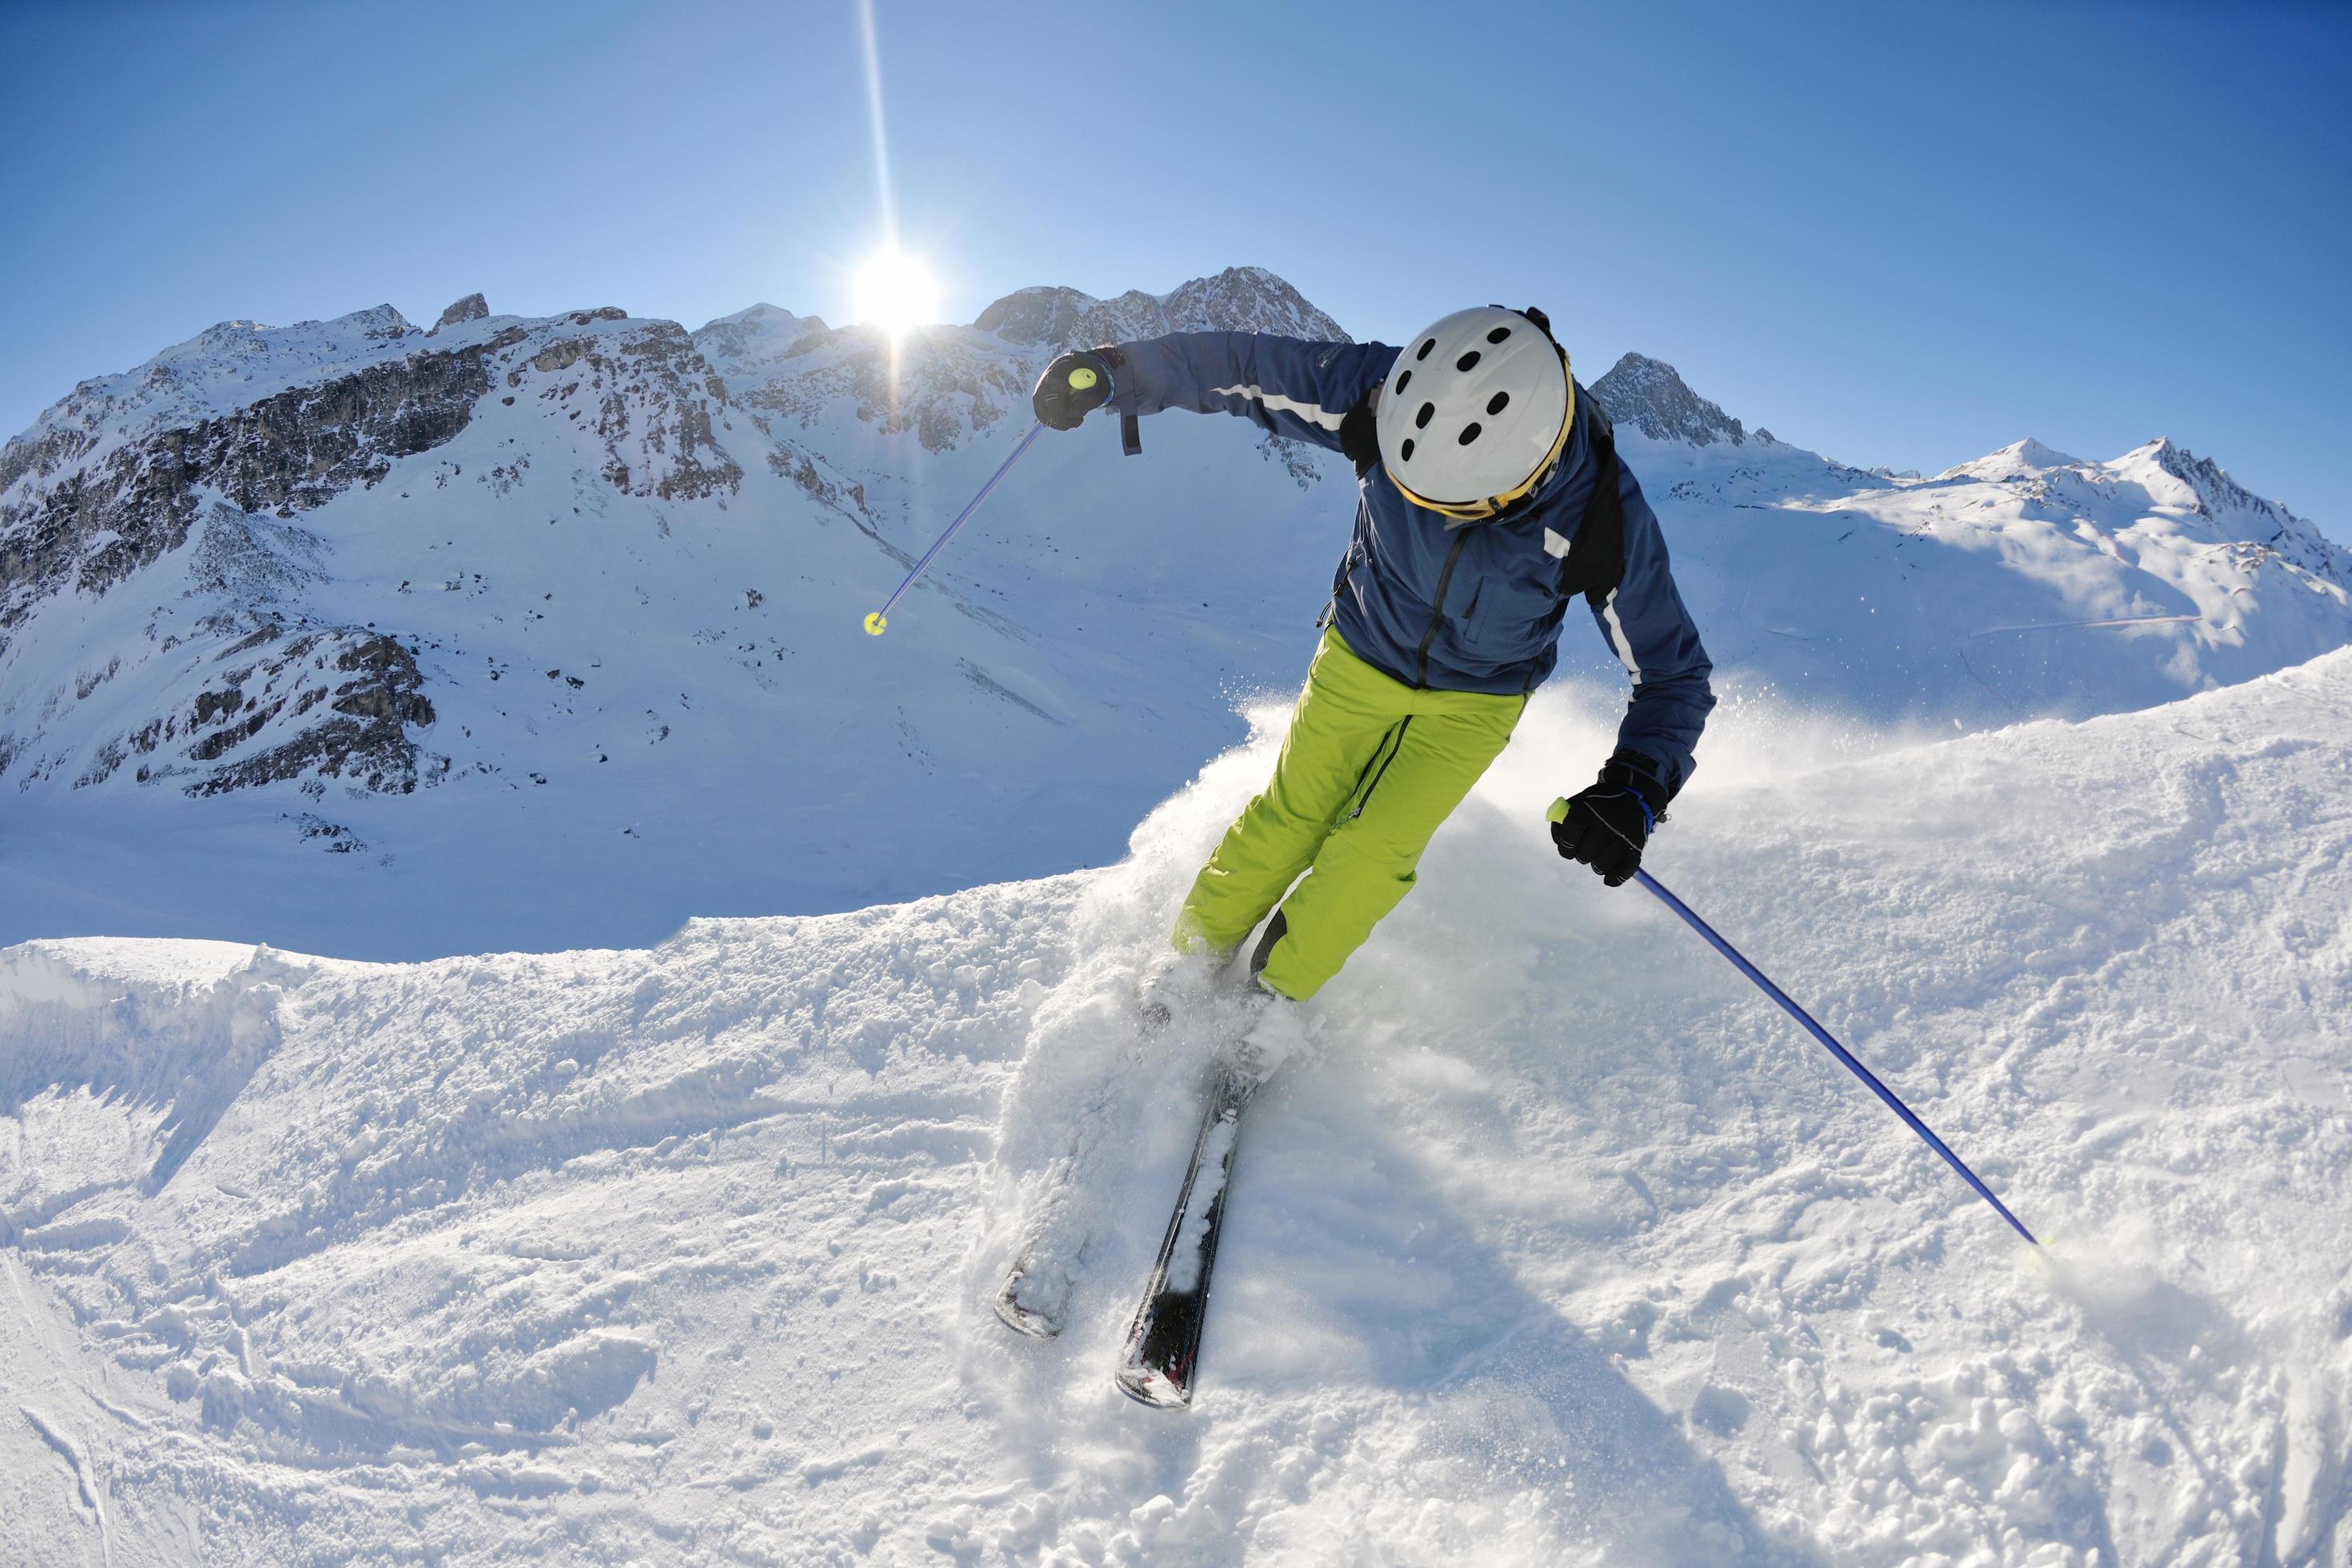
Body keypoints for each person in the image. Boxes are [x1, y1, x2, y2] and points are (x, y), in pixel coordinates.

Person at [1030, 306, 1714, 1005]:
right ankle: (1183, 976)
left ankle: (1267, 1010)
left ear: (1523, 482)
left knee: (1374, 856)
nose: (1438, 517)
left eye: (1459, 506)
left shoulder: (1602, 513)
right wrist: (1118, 373)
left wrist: (1636, 787)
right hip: (1361, 653)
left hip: (1477, 703)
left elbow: (1673, 674)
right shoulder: (1385, 395)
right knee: (1289, 822)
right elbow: (1244, 365)